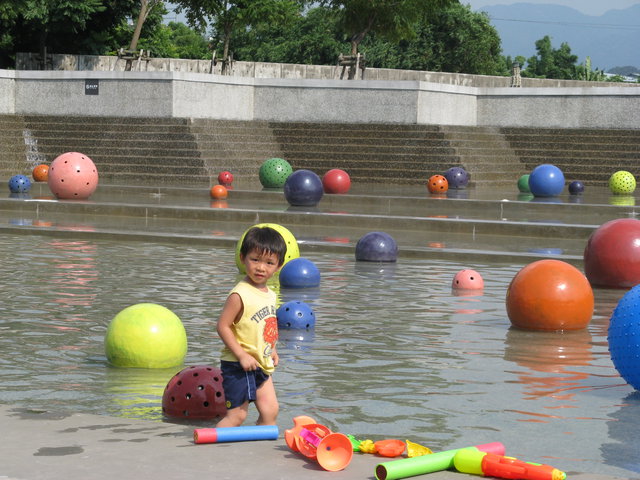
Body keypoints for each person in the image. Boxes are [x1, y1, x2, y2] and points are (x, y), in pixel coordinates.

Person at [216, 226, 286, 427]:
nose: (261, 267)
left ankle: (259, 452)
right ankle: (208, 451)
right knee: (237, 416)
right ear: (242, 257)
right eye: (255, 259)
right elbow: (223, 326)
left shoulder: (271, 295)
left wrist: (273, 349)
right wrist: (242, 355)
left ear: (278, 266)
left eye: (269, 262)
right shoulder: (239, 295)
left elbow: (268, 324)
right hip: (238, 365)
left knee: (270, 411)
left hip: (261, 364)